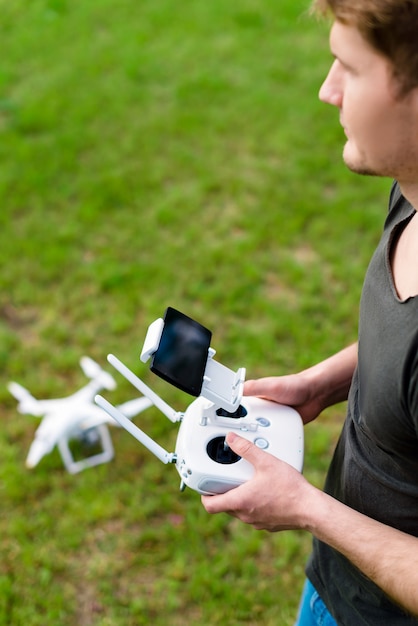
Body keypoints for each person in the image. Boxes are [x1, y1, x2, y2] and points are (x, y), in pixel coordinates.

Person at [201, 1, 418, 624]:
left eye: (350, 68)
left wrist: (307, 509)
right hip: (343, 581)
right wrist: (324, 381)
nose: (327, 90)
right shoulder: (412, 190)